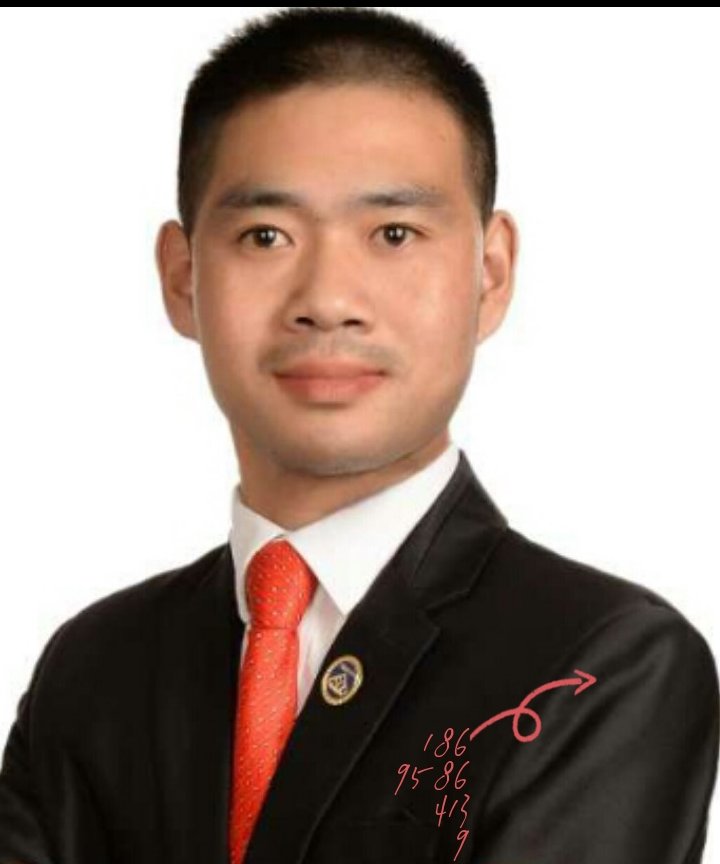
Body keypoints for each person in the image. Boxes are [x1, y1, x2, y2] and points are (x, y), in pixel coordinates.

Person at [1, 7, 718, 864]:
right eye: (266, 235)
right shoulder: (95, 668)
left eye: (393, 234)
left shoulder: (601, 661)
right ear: (183, 278)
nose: (328, 299)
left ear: (489, 274)